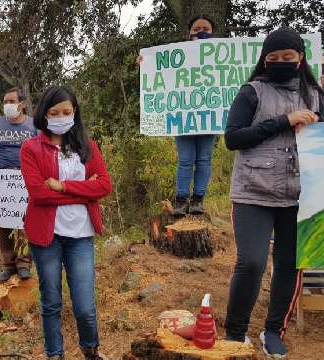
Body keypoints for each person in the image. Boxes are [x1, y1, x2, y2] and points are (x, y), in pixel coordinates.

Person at [224, 27, 323, 359]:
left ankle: (273, 331)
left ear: (301, 59)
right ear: (264, 60)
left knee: (290, 265)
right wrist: (284, 120)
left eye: (288, 57)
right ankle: (236, 333)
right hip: (254, 192)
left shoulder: (316, 94)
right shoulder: (252, 91)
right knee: (251, 263)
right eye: (274, 58)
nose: (281, 62)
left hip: (302, 195)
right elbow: (233, 137)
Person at [20, 86, 112, 360]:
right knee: (51, 302)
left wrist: (62, 186)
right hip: (46, 236)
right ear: (44, 114)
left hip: (81, 235)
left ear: (75, 113)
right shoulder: (31, 148)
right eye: (54, 112)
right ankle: (54, 354)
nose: (61, 116)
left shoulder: (87, 145)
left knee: (85, 305)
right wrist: (83, 190)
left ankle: (91, 349)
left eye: (67, 112)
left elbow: (105, 185)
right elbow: (38, 194)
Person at [137, 15, 218, 216]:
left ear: (213, 32)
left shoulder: (219, 54)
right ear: (189, 32)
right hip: (183, 118)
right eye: (197, 28)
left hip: (209, 117)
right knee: (185, 160)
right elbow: (161, 75)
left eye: (206, 28)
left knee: (204, 159)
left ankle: (198, 200)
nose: (201, 31)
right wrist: (146, 64)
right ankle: (181, 201)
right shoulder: (178, 55)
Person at [0, 87, 37, 282]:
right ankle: (7, 265)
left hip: (24, 179)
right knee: (3, 222)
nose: (7, 105)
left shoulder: (33, 125)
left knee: (24, 221)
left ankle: (24, 263)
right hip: (0, 179)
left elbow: (40, 151)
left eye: (11, 101)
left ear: (22, 104)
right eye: (5, 102)